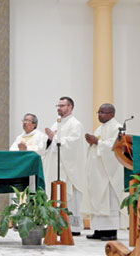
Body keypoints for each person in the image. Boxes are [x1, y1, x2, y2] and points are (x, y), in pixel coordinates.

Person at [42, 96, 87, 235]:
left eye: (62, 105)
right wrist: (50, 140)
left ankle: (72, 228)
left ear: (70, 107)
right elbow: (49, 144)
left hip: (68, 169)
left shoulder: (75, 124)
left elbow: (72, 145)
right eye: (58, 105)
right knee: (55, 196)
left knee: (70, 197)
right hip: (56, 167)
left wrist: (53, 138)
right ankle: (56, 225)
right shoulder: (57, 123)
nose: (59, 108)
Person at [83, 103, 124, 241]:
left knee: (109, 200)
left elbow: (116, 147)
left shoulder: (117, 127)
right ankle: (99, 230)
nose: (99, 115)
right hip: (98, 171)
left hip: (109, 172)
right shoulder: (100, 128)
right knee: (98, 199)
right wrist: (92, 142)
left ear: (111, 114)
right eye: (98, 112)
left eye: (103, 112)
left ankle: (111, 232)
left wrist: (97, 142)